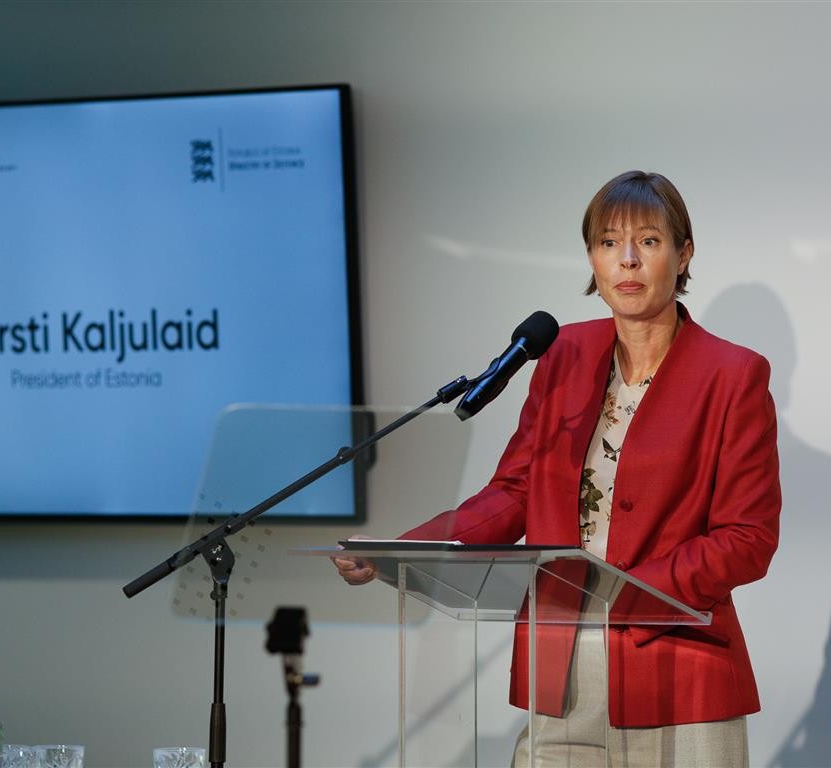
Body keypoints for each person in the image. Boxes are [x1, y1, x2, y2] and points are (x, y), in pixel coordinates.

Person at [334, 170, 780, 767]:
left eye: (648, 241)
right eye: (608, 242)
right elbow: (515, 491)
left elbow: (748, 538)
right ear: (592, 258)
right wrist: (404, 549)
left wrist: (637, 592)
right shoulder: (563, 354)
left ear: (683, 254)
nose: (627, 259)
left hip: (677, 663)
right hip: (562, 662)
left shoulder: (732, 375)